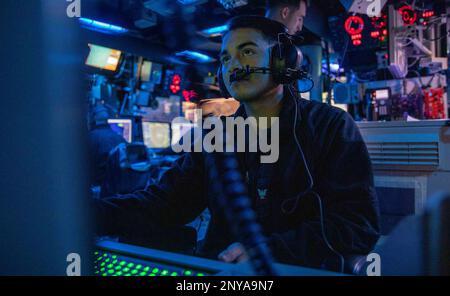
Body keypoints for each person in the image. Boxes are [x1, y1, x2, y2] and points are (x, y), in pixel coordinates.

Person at [95, 16, 380, 271]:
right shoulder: (216, 136)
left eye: (246, 51)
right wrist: (89, 214)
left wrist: (270, 251)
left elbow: (357, 225)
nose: (233, 66)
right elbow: (164, 203)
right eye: (226, 58)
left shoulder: (330, 126)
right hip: (219, 271)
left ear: (282, 62)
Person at [88, 104, 126, 188]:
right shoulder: (120, 138)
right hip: (117, 189)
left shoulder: (89, 138)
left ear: (92, 119)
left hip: (97, 189)